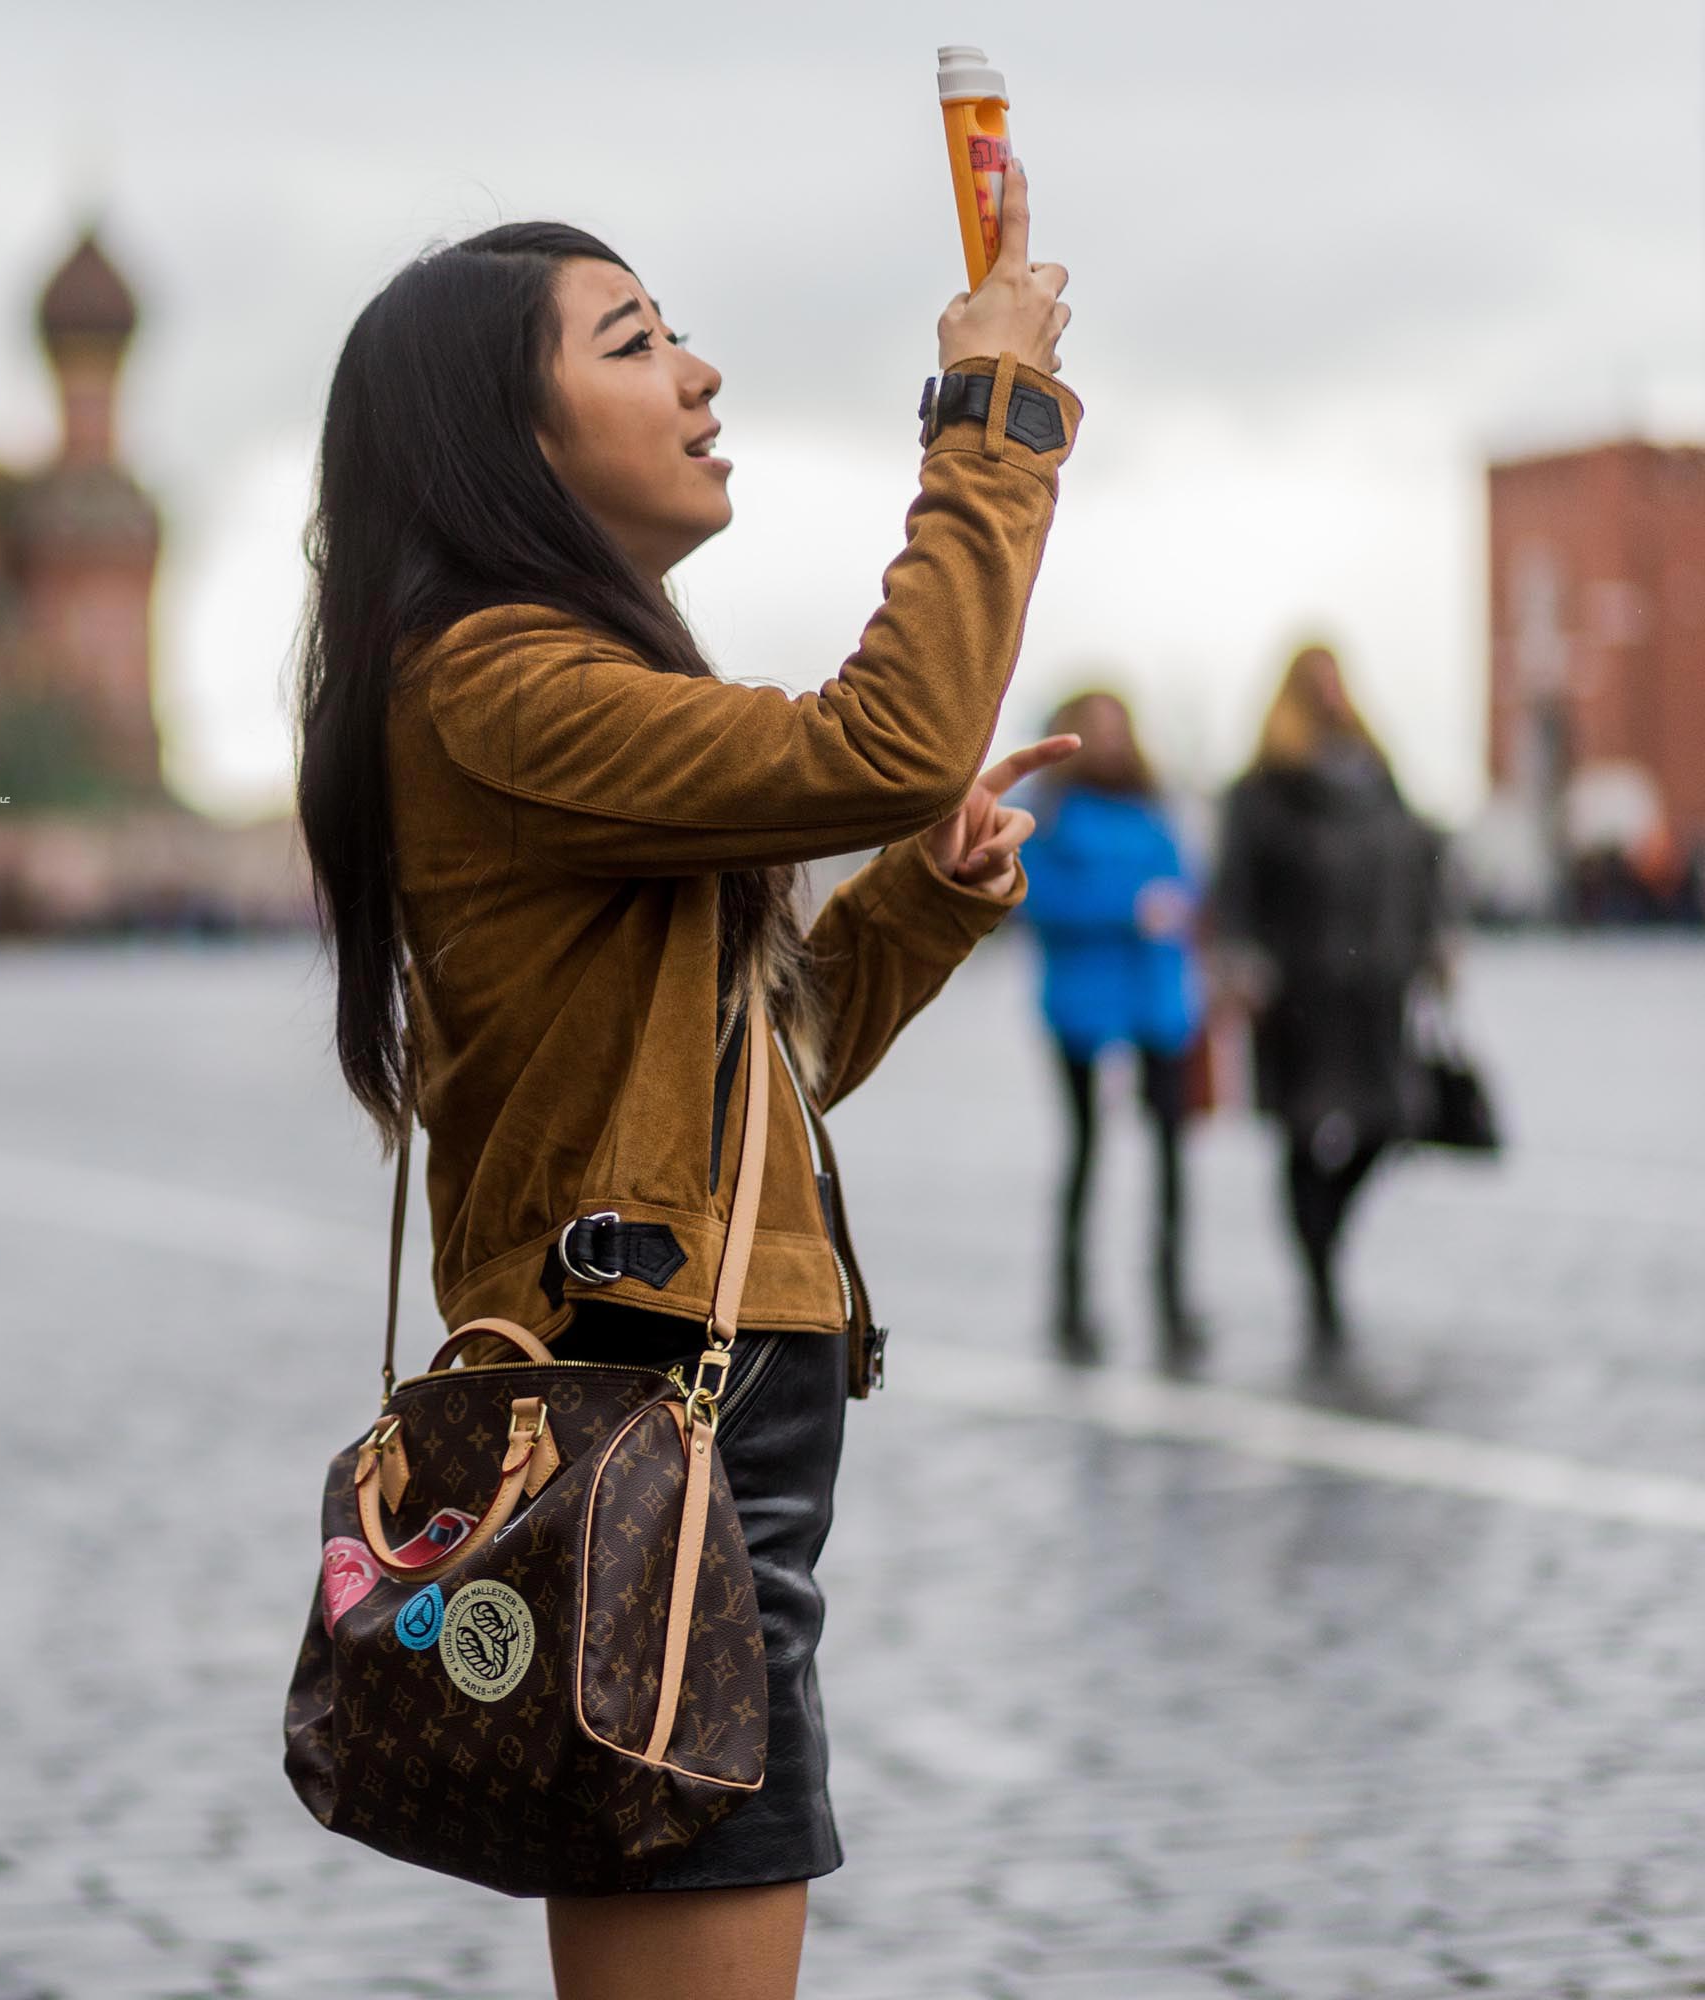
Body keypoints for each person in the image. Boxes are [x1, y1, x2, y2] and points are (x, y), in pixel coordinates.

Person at [292, 163, 1074, 2000]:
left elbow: (752, 1094)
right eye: (638, 342)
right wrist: (994, 414)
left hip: (686, 1419)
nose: (701, 374)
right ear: (512, 445)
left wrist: (925, 901)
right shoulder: (492, 682)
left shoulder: (529, 682)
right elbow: (891, 734)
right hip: (657, 1444)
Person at [1213, 645, 1444, 1357]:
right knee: (1302, 1129)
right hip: (1299, 986)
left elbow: (1421, 861)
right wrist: (1241, 959)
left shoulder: (1379, 778)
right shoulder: (1262, 790)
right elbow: (1236, 886)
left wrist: (1433, 942)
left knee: (1390, 1122)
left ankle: (1326, 1238)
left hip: (1377, 983)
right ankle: (1317, 1277)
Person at [1016, 690, 1203, 1370]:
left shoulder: (1154, 805)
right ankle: (1070, 1302)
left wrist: (1172, 907)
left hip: (1157, 1000)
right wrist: (1130, 907)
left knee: (1172, 1154)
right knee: (1085, 1152)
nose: (1111, 740)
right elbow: (1036, 897)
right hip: (1082, 1002)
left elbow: (1188, 876)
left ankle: (1174, 1294)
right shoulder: (1051, 814)